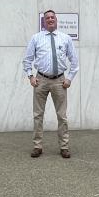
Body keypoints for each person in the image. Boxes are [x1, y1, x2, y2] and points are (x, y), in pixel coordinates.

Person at [22, 10, 79, 158]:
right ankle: (37, 146)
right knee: (38, 115)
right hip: (41, 81)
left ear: (56, 20)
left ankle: (64, 147)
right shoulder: (36, 38)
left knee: (62, 116)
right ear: (44, 22)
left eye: (52, 17)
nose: (50, 20)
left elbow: (74, 61)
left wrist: (69, 78)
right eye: (47, 18)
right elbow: (27, 60)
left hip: (60, 82)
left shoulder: (65, 38)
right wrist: (30, 76)